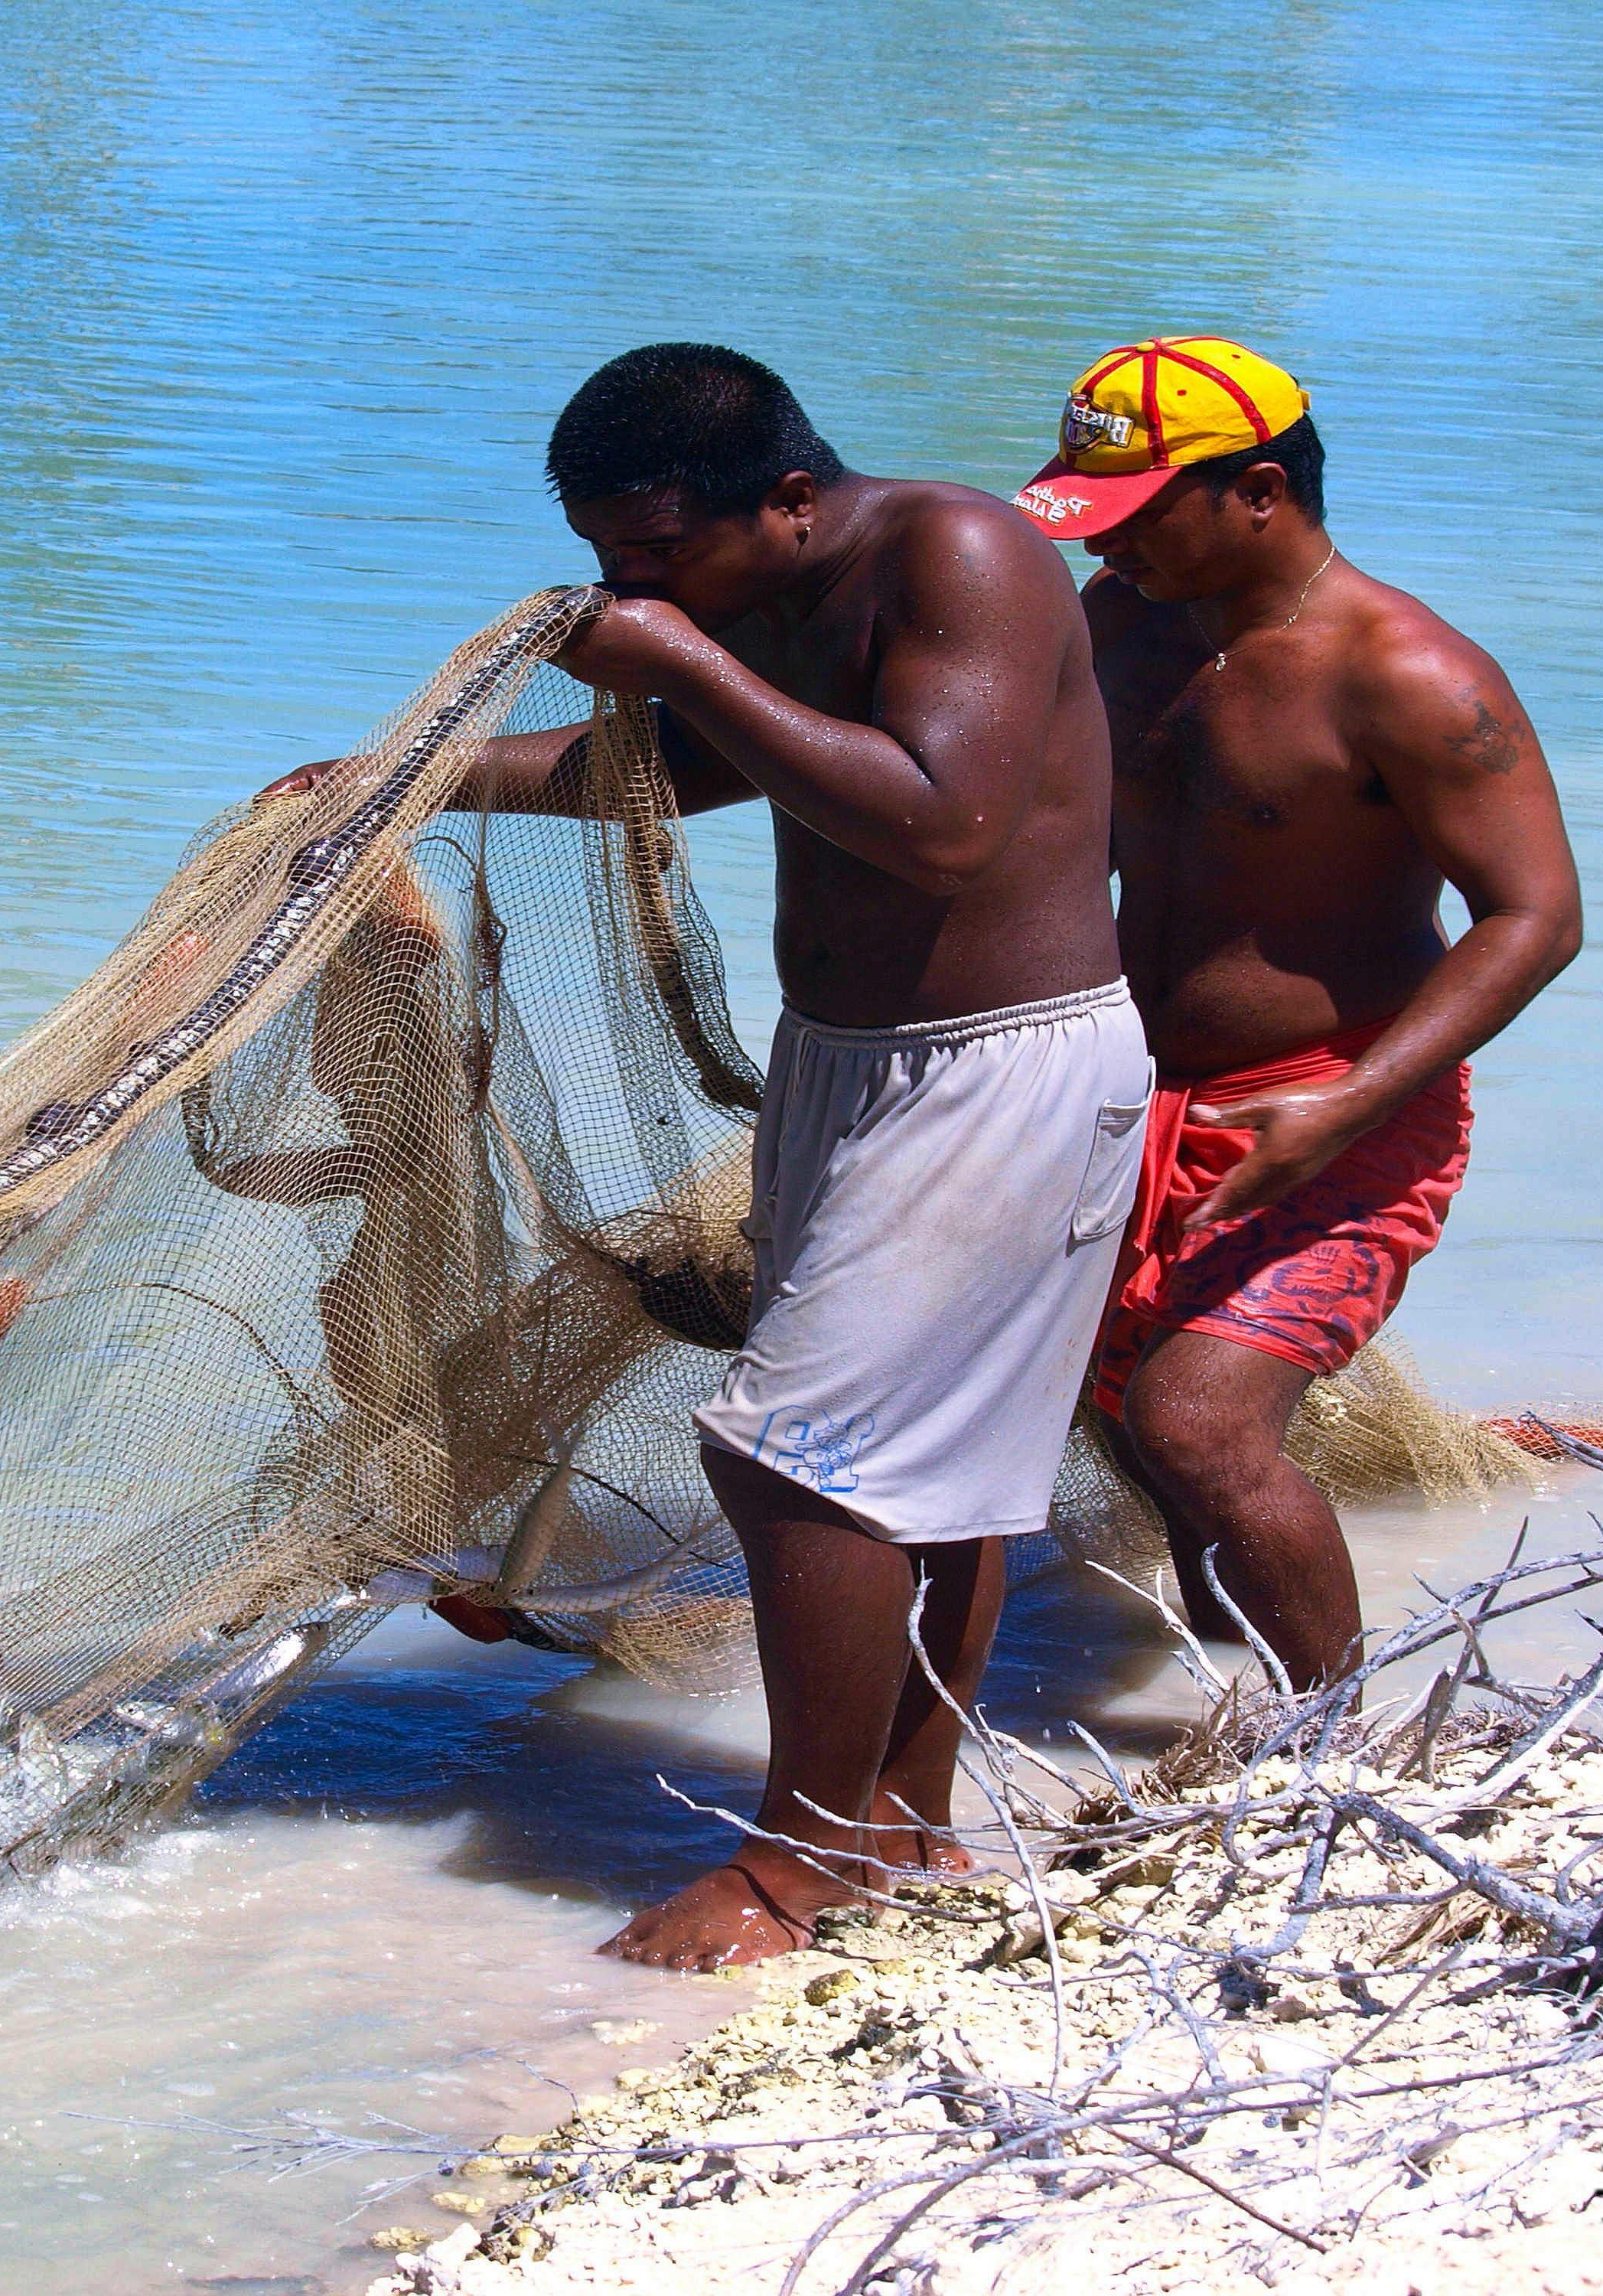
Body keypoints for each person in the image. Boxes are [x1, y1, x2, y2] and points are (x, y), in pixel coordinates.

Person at [384, 344, 1146, 1970]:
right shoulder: (765, 604)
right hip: (848, 1065)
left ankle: (803, 1861)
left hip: (1001, 1067)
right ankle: (903, 1820)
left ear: (791, 499)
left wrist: (676, 656)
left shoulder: (960, 553)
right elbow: (681, 773)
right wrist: (407, 784)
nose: (624, 593)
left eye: (657, 558)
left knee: (794, 1453)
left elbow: (941, 818)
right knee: (917, 1473)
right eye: (605, 561)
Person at [1006, 339, 1583, 1692]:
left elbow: (1537, 918)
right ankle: (1229, 1687)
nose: (1117, 544)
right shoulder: (1123, 630)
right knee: (1139, 1429)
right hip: (1132, 1096)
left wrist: (1343, 1108)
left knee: (1199, 1423)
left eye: (1144, 512)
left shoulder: (1409, 675)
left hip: (1338, 1105)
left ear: (1260, 492)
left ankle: (1342, 1748)